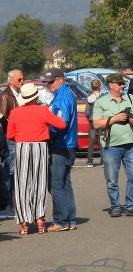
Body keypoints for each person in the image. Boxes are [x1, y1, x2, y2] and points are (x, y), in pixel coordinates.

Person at [7, 83, 66, 234]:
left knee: (22, 184)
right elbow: (61, 124)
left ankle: (24, 222)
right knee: (39, 183)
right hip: (40, 146)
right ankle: (39, 219)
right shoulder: (42, 110)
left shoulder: (15, 112)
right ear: (35, 97)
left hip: (22, 146)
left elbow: (10, 135)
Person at [92, 73, 133, 216]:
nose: (122, 86)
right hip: (110, 146)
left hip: (130, 144)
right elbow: (96, 123)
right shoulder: (101, 102)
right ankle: (115, 206)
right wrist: (115, 118)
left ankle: (130, 206)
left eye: (123, 84)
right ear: (111, 85)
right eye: (120, 84)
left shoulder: (130, 98)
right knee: (112, 179)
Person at [44, 68, 79, 232]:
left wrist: (47, 132)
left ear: (61, 80)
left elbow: (61, 122)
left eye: (51, 82)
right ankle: (70, 219)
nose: (49, 85)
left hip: (61, 145)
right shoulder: (64, 95)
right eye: (48, 82)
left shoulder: (63, 97)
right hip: (68, 144)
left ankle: (61, 221)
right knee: (65, 183)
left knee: (57, 184)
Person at [0, 69, 23, 217]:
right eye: (19, 79)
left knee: (16, 173)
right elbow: (2, 118)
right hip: (10, 139)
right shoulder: (5, 96)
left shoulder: (18, 94)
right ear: (11, 80)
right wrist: (12, 129)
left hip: (19, 138)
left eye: (23, 79)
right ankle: (7, 206)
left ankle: (14, 203)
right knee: (9, 172)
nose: (22, 81)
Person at [85, 79, 102, 167]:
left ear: (91, 87)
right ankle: (103, 161)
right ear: (100, 87)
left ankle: (90, 161)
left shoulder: (89, 98)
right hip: (101, 120)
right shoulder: (103, 97)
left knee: (91, 141)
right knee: (101, 140)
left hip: (92, 120)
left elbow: (87, 112)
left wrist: (89, 119)